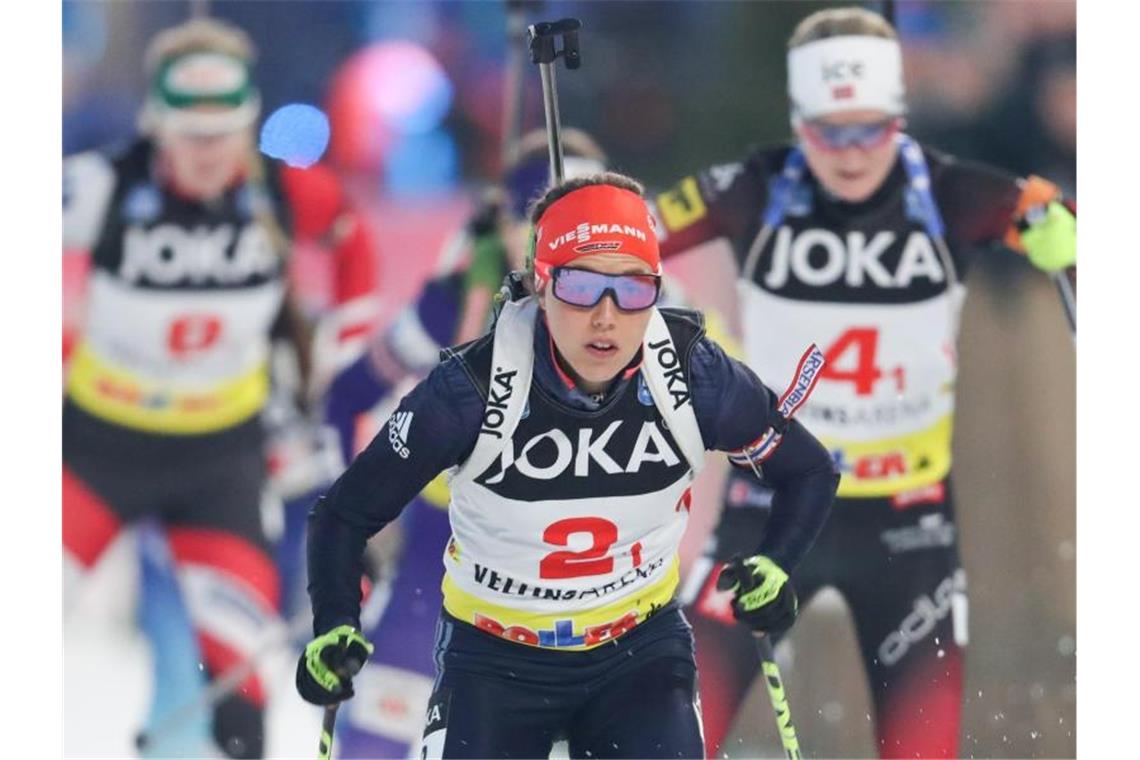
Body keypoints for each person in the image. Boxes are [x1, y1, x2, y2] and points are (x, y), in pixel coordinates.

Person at [296, 172, 839, 758]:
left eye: (633, 290)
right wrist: (333, 622)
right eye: (581, 288)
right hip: (494, 657)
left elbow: (809, 470)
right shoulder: (470, 389)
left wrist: (778, 563)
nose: (606, 317)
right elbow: (343, 515)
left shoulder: (691, 372)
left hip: (637, 653)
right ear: (540, 282)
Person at [652, 7, 1076, 758]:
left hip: (907, 530)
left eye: (872, 129)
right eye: (828, 132)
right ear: (799, 121)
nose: (851, 155)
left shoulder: (949, 190)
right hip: (766, 516)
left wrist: (1063, 233)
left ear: (899, 118)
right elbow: (626, 234)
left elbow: (1060, 224)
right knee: (664, 730)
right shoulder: (756, 181)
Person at [62, 17, 379, 758]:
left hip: (221, 463)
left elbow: (351, 238)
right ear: (157, 125)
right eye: (191, 136)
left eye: (226, 134)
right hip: (95, 451)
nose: (210, 156)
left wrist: (345, 345)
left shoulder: (279, 191)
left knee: (240, 683)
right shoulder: (103, 182)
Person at [321, 127, 609, 758]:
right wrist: (362, 528)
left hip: (579, 575)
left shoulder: (634, 313)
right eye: (538, 221)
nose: (557, 244)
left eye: (580, 222)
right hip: (443, 551)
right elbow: (345, 397)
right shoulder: (454, 298)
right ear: (505, 218)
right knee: (378, 739)